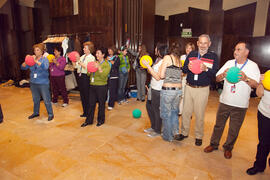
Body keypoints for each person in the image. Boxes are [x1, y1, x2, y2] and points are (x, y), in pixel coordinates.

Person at [204, 42, 260, 159]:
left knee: (234, 129)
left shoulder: (253, 66)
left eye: (239, 50)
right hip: (225, 101)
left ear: (246, 52)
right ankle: (213, 144)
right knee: (218, 125)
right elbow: (217, 78)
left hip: (240, 104)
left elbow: (255, 85)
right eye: (235, 49)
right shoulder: (229, 63)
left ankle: (228, 148)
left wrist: (246, 78)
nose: (235, 52)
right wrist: (223, 75)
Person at [177, 34, 218, 146]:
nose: (203, 45)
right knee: (186, 112)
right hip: (189, 87)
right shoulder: (191, 54)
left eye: (205, 43)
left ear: (209, 44)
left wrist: (206, 69)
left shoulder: (213, 57)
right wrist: (187, 68)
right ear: (197, 43)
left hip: (202, 89)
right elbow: (184, 69)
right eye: (201, 42)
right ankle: (184, 133)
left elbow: (215, 74)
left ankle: (199, 136)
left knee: (199, 114)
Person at [21, 43, 54, 121]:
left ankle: (50, 114)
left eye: (37, 50)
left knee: (46, 100)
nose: (35, 51)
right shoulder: (32, 59)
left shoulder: (45, 59)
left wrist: (35, 61)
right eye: (35, 50)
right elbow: (23, 68)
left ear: (42, 51)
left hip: (43, 83)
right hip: (33, 82)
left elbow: (45, 67)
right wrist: (26, 61)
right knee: (35, 99)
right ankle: (36, 113)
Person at [158, 42, 182, 142]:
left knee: (166, 114)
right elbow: (179, 75)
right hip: (178, 91)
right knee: (174, 112)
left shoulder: (167, 58)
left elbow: (161, 75)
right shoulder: (178, 60)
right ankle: (175, 132)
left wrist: (160, 69)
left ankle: (168, 137)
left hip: (168, 91)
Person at [81, 47, 111, 127]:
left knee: (101, 104)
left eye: (98, 53)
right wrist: (89, 71)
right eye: (96, 53)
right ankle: (89, 120)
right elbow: (89, 74)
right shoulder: (94, 62)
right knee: (91, 104)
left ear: (103, 55)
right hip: (92, 85)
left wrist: (99, 67)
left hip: (102, 86)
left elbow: (104, 76)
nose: (96, 55)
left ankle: (100, 120)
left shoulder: (106, 64)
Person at [246, 73, 270, 175]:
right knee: (263, 142)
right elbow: (259, 94)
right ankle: (259, 166)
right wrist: (261, 83)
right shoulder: (268, 75)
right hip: (264, 113)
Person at [143, 43, 168, 137]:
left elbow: (158, 77)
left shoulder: (163, 62)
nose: (155, 49)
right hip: (152, 87)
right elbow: (153, 73)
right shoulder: (158, 60)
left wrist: (148, 66)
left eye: (156, 48)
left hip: (158, 89)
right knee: (149, 107)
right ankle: (153, 126)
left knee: (156, 110)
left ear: (160, 50)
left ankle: (157, 130)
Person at [73, 41, 95, 117]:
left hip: (86, 76)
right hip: (80, 76)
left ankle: (89, 113)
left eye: (85, 48)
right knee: (82, 95)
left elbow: (88, 67)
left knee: (87, 95)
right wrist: (74, 60)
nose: (83, 49)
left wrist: (79, 60)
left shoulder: (92, 57)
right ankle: (85, 112)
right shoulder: (82, 56)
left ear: (89, 49)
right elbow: (76, 67)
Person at [179, 42, 195, 115]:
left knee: (189, 97)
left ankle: (189, 113)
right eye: (187, 48)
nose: (188, 49)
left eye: (190, 48)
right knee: (182, 95)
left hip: (190, 78)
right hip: (182, 78)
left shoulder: (194, 58)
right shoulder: (182, 57)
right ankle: (180, 111)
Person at [107, 46, 120, 110]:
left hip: (114, 76)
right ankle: (107, 102)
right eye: (108, 50)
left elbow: (116, 65)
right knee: (107, 91)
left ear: (113, 50)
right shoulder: (107, 57)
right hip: (107, 76)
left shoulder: (117, 57)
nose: (109, 51)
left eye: (110, 50)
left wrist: (111, 61)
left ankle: (111, 104)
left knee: (112, 91)